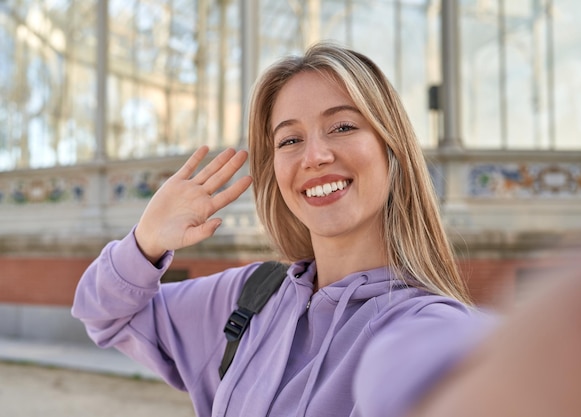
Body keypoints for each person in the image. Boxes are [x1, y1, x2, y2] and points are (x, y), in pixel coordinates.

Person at [72, 42, 490, 417]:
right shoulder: (248, 297)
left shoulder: (422, 327)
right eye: (290, 140)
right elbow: (104, 315)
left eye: (343, 126)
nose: (315, 156)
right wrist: (145, 243)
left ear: (391, 147)